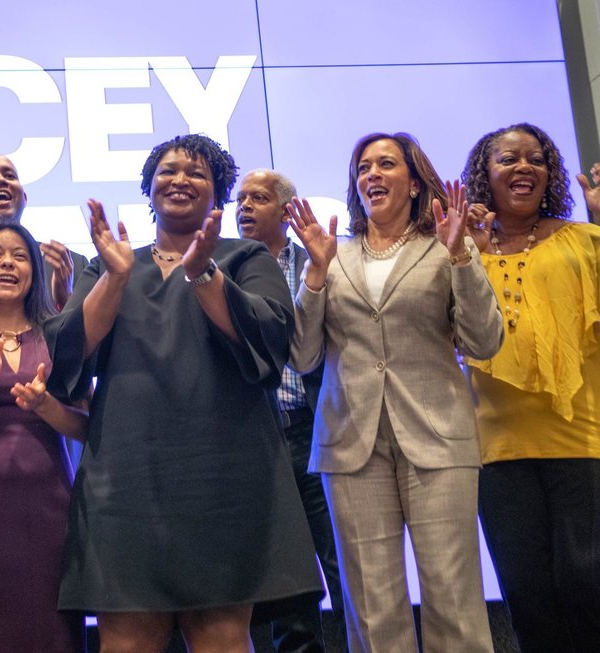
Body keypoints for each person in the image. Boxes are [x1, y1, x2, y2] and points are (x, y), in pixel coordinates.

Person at [45, 134, 323, 653]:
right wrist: (116, 277)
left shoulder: (246, 256)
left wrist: (203, 273)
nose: (180, 180)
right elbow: (70, 353)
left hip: (224, 478)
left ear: (218, 192)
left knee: (221, 637)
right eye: (168, 171)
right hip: (125, 481)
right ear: (148, 188)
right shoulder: (109, 264)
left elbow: (268, 341)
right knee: (127, 642)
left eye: (196, 173)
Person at [287, 132, 502, 653]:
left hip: (438, 437)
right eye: (364, 167)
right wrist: (314, 274)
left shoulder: (447, 246)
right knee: (373, 606)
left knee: (452, 597)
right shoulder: (332, 256)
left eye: (386, 164)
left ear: (414, 183)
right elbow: (302, 356)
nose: (372, 175)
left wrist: (461, 257)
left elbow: (484, 341)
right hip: (349, 443)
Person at [460, 123, 600, 652]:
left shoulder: (582, 239)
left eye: (536, 159)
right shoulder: (462, 250)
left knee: (587, 583)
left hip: (581, 439)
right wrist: (465, 254)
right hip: (496, 450)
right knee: (526, 594)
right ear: (485, 174)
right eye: (509, 159)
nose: (524, 167)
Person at [0, 221, 87, 652]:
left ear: (34, 272)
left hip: (50, 506)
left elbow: (87, 426)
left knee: (50, 630)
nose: (7, 263)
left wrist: (46, 407)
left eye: (19, 256)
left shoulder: (58, 334)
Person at [237, 168, 346, 653]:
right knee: (283, 570)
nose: (244, 207)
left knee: (341, 560)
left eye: (257, 198)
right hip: (256, 438)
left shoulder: (320, 262)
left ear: (286, 212)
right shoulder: (224, 267)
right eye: (240, 199)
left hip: (317, 430)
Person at [0, 153, 88, 308]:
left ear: (24, 198)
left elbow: (89, 323)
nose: (0, 180)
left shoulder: (70, 265)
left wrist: (65, 300)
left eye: (10, 176)